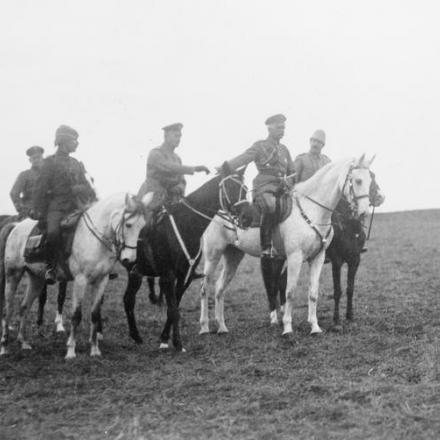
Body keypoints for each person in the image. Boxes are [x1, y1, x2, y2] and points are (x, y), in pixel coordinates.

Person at [221, 114, 295, 258]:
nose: (282, 130)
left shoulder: (285, 150)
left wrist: (290, 183)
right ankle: (266, 246)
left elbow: (292, 172)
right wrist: (226, 166)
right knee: (270, 205)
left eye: (284, 128)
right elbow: (244, 157)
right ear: (270, 128)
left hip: (282, 188)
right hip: (264, 187)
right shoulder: (260, 146)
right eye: (279, 127)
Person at [32, 125, 96, 284]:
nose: (77, 144)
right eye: (74, 140)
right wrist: (37, 210)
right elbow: (40, 188)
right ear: (64, 141)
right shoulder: (49, 162)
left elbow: (87, 185)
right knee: (53, 233)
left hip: (77, 207)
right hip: (57, 206)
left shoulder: (76, 163)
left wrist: (82, 189)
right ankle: (51, 267)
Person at [137, 122, 209, 227]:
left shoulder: (177, 158)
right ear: (166, 136)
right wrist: (194, 169)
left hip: (172, 200)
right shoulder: (155, 153)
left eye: (180, 136)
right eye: (175, 136)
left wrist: (178, 189)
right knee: (143, 225)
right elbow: (169, 167)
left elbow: (182, 181)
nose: (178, 139)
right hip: (153, 199)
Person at [10, 146, 45, 219]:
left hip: (49, 209)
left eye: (38, 157)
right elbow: (14, 193)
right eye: (33, 158)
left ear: (42, 158)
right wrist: (24, 210)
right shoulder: (24, 175)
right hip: (30, 210)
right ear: (30, 160)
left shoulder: (50, 174)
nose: (36, 160)